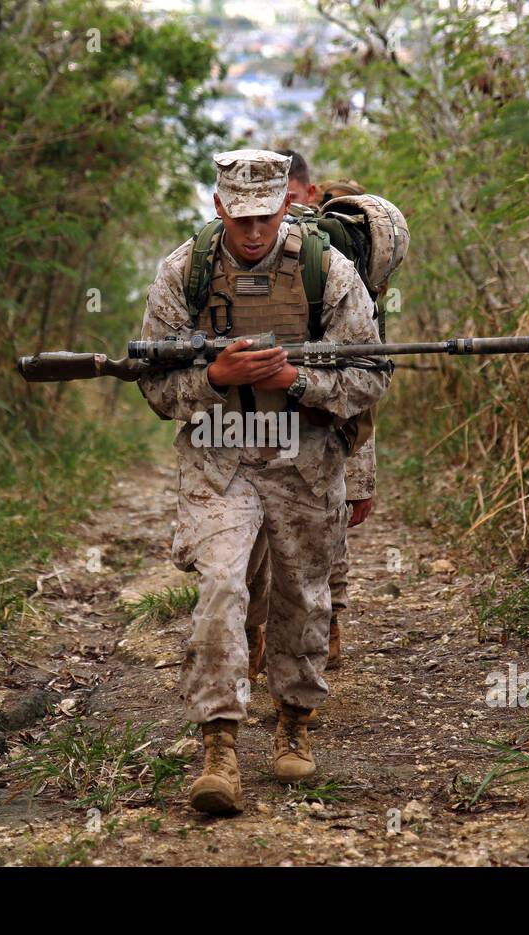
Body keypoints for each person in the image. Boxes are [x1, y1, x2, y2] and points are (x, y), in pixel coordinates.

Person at [137, 149, 390, 815]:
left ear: (289, 205)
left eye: (266, 217)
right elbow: (156, 386)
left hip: (303, 457)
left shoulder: (325, 270)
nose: (253, 231)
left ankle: (294, 721)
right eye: (240, 218)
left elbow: (371, 376)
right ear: (219, 208)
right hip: (220, 454)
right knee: (221, 585)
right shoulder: (183, 272)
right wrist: (215, 380)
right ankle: (218, 743)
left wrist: (296, 382)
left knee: (302, 596)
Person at [244, 149, 377, 681]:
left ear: (306, 192)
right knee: (255, 539)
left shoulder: (331, 257)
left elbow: (364, 376)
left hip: (328, 414)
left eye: (284, 204)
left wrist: (362, 475)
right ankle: (256, 634)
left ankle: (330, 622)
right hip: (255, 423)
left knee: (330, 527)